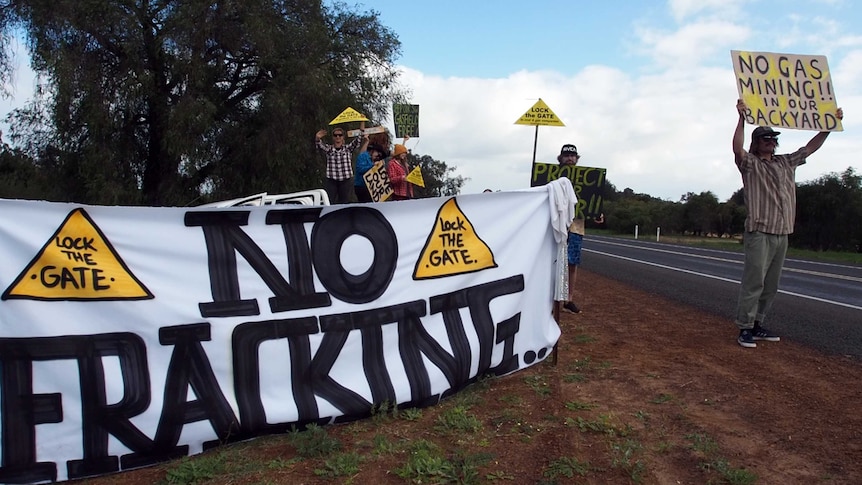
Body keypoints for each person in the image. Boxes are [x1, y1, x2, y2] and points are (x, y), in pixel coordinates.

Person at [732, 99, 844, 348]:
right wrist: (741, 119)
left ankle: (758, 323)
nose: (770, 142)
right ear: (757, 142)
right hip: (760, 230)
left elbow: (809, 148)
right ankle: (745, 327)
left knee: (771, 284)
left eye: (773, 139)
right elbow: (737, 149)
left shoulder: (785, 162)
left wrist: (828, 127)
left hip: (782, 232)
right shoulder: (750, 163)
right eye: (765, 139)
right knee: (754, 282)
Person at [558, 143, 584, 314]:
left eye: (572, 156)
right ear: (561, 158)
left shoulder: (585, 178)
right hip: (556, 223)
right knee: (551, 260)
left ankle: (569, 299)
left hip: (576, 225)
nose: (570, 158)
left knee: (572, 263)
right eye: (566, 155)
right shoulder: (553, 177)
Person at [315, 126, 368, 204]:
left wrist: (362, 128)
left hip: (346, 180)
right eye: (335, 135)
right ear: (333, 138)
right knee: (330, 202)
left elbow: (357, 140)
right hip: (332, 180)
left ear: (343, 137)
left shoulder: (348, 148)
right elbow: (320, 145)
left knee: (344, 202)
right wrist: (317, 138)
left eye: (340, 135)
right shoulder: (329, 149)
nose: (338, 137)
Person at [354, 133, 388, 202]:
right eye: (377, 153)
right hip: (362, 187)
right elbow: (360, 169)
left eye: (380, 154)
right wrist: (373, 166)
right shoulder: (363, 156)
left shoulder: (376, 160)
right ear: (372, 151)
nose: (378, 155)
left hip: (373, 188)